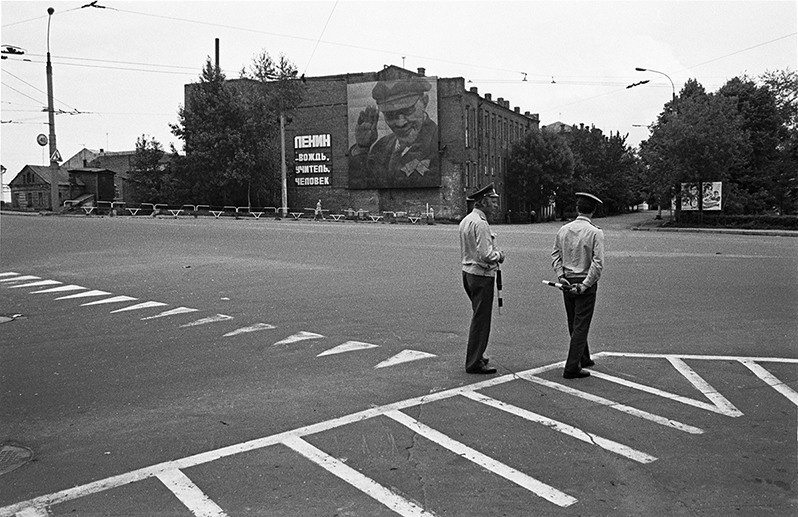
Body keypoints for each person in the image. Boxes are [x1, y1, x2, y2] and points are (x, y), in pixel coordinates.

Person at [348, 76, 439, 189]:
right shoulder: (381, 147)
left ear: (424, 101)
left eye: (408, 111)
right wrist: (361, 149)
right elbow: (362, 186)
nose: (400, 123)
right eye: (390, 115)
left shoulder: (438, 142)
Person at [551, 192, 605, 379]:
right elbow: (597, 264)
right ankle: (572, 366)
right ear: (594, 211)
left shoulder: (564, 229)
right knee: (581, 324)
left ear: (576, 209)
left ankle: (584, 356)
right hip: (585, 281)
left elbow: (555, 255)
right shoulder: (595, 232)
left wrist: (561, 275)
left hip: (567, 280)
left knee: (574, 321)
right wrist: (586, 284)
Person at [459, 183, 505, 374]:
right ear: (483, 202)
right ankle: (474, 361)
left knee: (478, 316)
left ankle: (478, 355)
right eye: (492, 201)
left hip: (468, 273)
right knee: (481, 320)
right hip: (482, 275)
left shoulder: (467, 220)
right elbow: (486, 254)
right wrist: (499, 255)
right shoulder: (481, 223)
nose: (495, 205)